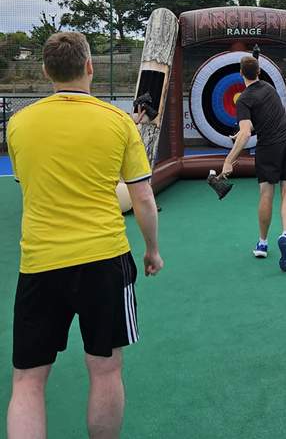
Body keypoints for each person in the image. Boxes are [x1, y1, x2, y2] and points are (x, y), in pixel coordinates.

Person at [6, 32, 163, 439]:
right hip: (104, 262)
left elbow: (30, 183)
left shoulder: (19, 124)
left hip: (40, 265)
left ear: (46, 71)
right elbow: (143, 199)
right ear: (89, 67)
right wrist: (152, 251)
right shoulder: (117, 123)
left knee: (27, 381)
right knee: (106, 368)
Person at [220, 55, 286, 272]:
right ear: (259, 73)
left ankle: (263, 243)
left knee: (266, 193)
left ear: (240, 74)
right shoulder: (269, 88)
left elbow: (246, 134)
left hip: (269, 146)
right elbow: (260, 122)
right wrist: (242, 133)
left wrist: (228, 161)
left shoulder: (244, 99)